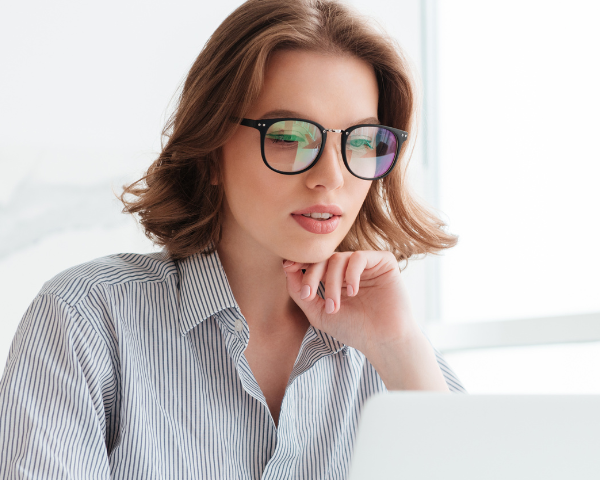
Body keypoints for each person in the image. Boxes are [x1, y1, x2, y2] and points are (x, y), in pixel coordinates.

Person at [0, 0, 466, 478]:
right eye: (288, 136)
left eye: (362, 142)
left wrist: (401, 352)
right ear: (210, 151)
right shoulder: (85, 320)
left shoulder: (395, 350)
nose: (331, 176)